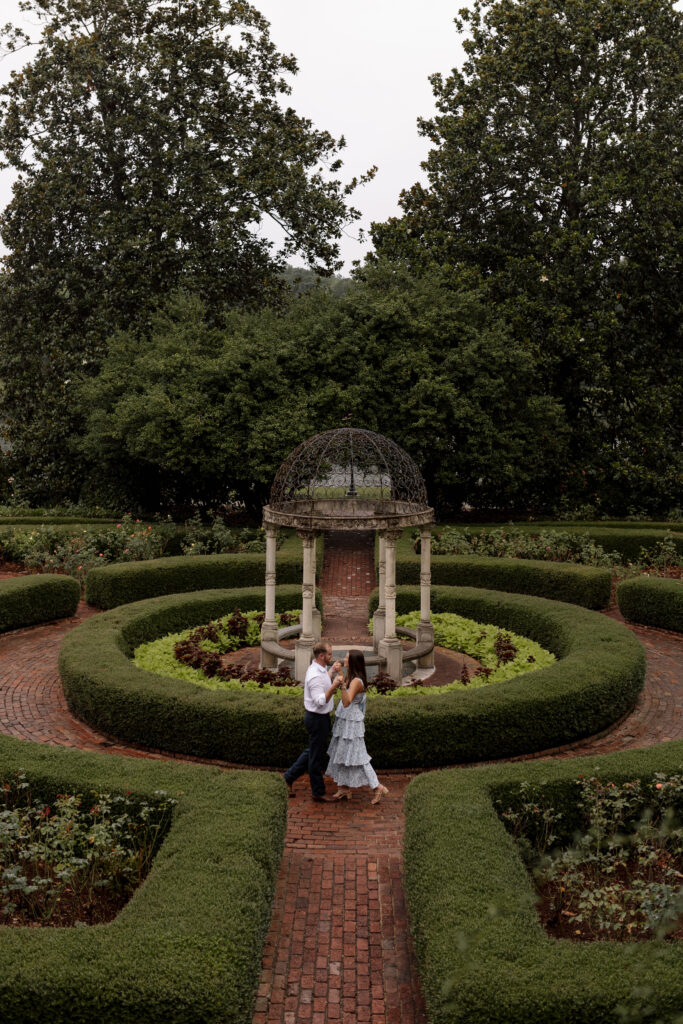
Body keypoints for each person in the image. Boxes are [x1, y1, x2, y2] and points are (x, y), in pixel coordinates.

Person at [326, 649, 389, 805]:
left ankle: (377, 787)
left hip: (352, 724)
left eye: (347, 659)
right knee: (342, 753)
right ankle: (343, 788)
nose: (344, 660)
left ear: (353, 662)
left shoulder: (357, 682)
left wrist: (340, 685)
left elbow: (347, 702)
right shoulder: (352, 678)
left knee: (359, 756)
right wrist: (341, 673)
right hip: (345, 721)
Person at [283, 641, 342, 802]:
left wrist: (332, 672)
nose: (332, 656)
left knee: (312, 751)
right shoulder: (315, 675)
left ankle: (288, 777)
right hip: (317, 719)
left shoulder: (319, 669)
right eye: (329, 653)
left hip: (319, 718)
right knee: (315, 757)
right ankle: (318, 792)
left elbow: (324, 682)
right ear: (321, 656)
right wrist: (335, 686)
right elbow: (320, 701)